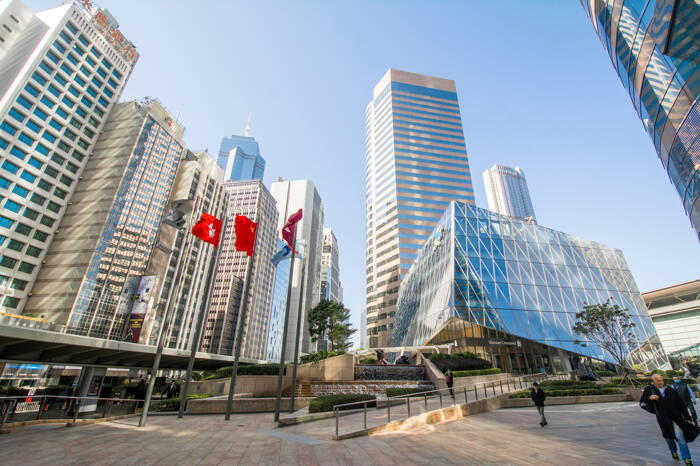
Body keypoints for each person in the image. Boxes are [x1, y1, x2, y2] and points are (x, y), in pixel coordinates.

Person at [641, 374, 698, 465]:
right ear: (654, 381)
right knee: (668, 437)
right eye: (658, 381)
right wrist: (650, 398)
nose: (661, 382)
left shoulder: (670, 390)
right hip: (663, 419)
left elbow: (681, 405)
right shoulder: (650, 390)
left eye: (661, 380)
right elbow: (643, 402)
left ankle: (687, 459)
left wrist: (687, 417)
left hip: (676, 418)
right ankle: (673, 451)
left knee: (680, 437)